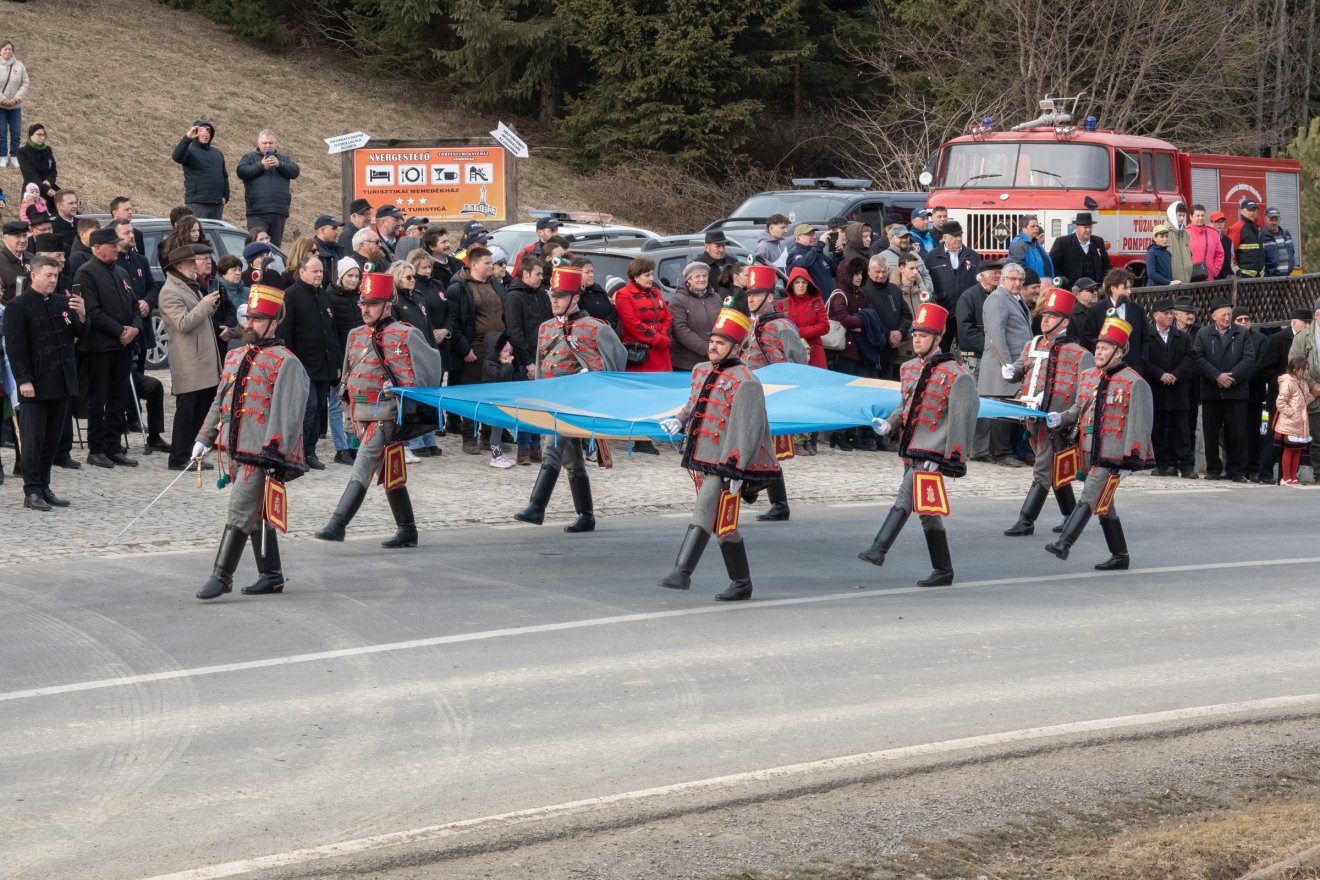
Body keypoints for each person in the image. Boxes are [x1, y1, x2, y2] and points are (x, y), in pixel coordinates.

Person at [192, 284, 310, 600]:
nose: (249, 325)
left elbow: (288, 413)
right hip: (235, 449)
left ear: (274, 323)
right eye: (249, 318)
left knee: (240, 507)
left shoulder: (287, 361)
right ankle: (271, 575)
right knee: (256, 513)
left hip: (263, 453)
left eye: (258, 320)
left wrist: (275, 453)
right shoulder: (234, 356)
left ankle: (222, 576)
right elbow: (219, 403)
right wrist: (204, 438)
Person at [658, 308, 781, 601]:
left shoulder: (746, 380)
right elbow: (693, 403)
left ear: (736, 347)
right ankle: (742, 582)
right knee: (723, 526)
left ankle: (681, 572)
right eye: (712, 340)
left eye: (721, 342)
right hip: (701, 456)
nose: (713, 345)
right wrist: (680, 419)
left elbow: (748, 430)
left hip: (725, 462)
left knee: (705, 508)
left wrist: (735, 469)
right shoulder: (701, 370)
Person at [314, 273, 442, 546]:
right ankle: (407, 530)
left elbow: (429, 372)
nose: (365, 309)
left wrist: (400, 388)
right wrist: (348, 412)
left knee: (363, 465)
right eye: (363, 303)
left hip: (387, 415)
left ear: (387, 305)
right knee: (389, 470)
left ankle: (338, 524)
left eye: (371, 304)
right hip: (361, 415)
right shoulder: (355, 334)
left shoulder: (407, 334)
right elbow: (348, 376)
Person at [859, 301, 977, 586]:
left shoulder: (957, 375)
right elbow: (906, 405)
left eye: (924, 334)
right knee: (927, 512)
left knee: (905, 494)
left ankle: (879, 548)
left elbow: (962, 420)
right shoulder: (909, 369)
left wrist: (949, 456)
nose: (917, 338)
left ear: (938, 338)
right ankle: (943, 570)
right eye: (915, 333)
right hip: (911, 448)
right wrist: (890, 423)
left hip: (933, 452)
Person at [514, 264, 627, 529]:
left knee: (551, 448)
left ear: (575, 298)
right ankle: (586, 515)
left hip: (577, 403)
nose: (554, 300)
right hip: (552, 401)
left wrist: (594, 381)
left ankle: (536, 506)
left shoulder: (595, 328)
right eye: (552, 295)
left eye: (560, 296)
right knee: (572, 459)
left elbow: (617, 360)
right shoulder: (545, 329)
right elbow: (542, 368)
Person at [1044, 316, 1154, 568]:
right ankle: (1120, 556)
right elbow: (1076, 409)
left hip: (1113, 453)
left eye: (1104, 348)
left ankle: (1064, 543)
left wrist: (1131, 460)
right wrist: (1059, 418)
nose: (1098, 352)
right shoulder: (1087, 376)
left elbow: (1140, 425)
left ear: (1119, 352)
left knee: (1090, 494)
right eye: (1098, 347)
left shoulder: (1134, 382)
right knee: (1104, 505)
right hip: (1086, 449)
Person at [1000, 287, 1094, 536]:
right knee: (1053, 466)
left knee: (1043, 467)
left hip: (1057, 422)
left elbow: (1085, 394)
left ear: (1064, 321)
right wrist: (1012, 371)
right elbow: (1024, 367)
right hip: (1031, 416)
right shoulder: (1034, 343)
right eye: (1044, 315)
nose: (1045, 320)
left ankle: (1026, 519)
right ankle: (1070, 515)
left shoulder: (1079, 354)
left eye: (1052, 316)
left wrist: (1067, 417)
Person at [3, 254, 83, 509]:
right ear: (33, 275)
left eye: (56, 275)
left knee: (52, 440)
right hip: (35, 383)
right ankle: (32, 491)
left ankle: (45, 485)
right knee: (33, 440)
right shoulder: (18, 306)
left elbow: (80, 334)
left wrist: (81, 314)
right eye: (48, 275)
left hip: (61, 381)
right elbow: (16, 348)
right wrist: (24, 379)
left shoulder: (62, 302)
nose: (52, 280)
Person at [740, 269, 807, 520]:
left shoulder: (781, 325)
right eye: (749, 294)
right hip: (749, 393)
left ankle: (767, 497)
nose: (751, 299)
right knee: (758, 447)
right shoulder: (750, 323)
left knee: (763, 447)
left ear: (770, 296)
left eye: (757, 294)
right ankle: (773, 501)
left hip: (772, 396)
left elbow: (797, 360)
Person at [76, 225, 141, 468]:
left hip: (123, 346)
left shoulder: (121, 272)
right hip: (100, 347)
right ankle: (97, 448)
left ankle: (114, 446)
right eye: (111, 244)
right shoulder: (86, 273)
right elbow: (92, 311)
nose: (117, 247)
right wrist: (119, 332)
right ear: (96, 248)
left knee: (118, 398)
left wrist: (134, 328)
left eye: (116, 243)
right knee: (98, 398)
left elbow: (134, 305)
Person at [158, 243, 224, 470]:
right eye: (191, 262)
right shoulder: (170, 291)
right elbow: (182, 323)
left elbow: (198, 317)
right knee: (187, 413)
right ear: (179, 265)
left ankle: (193, 456)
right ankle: (178, 457)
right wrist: (205, 305)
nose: (196, 265)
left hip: (202, 361)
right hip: (189, 362)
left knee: (201, 413)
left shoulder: (189, 284)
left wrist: (210, 306)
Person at [278, 252, 343, 470]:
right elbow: (285, 334)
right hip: (302, 364)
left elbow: (332, 331)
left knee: (318, 408)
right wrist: (290, 364)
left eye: (321, 271)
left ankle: (310, 451)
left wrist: (336, 363)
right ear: (302, 271)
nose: (318, 275)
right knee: (309, 406)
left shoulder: (324, 296)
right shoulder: (291, 295)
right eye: (314, 271)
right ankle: (298, 452)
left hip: (324, 363)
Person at [1193, 298, 1255, 481]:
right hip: (1211, 392)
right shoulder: (1203, 334)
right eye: (1224, 315)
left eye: (1229, 314)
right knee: (1211, 433)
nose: (1228, 318)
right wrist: (1216, 376)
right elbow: (1198, 358)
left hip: (1235, 392)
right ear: (1213, 316)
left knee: (1237, 434)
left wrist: (1231, 377)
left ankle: (1236, 471)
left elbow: (1249, 359)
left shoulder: (1242, 334)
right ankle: (1213, 469)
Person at [979, 262, 1032, 467]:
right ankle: (1001, 454)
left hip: (1016, 363)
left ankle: (1009, 451)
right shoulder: (997, 299)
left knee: (1010, 407)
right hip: (1001, 363)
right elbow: (996, 334)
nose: (1017, 283)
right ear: (1003, 279)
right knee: (1000, 409)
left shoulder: (1014, 298)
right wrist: (1007, 363)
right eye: (1013, 279)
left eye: (1020, 280)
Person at [502, 255, 552, 465]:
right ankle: (523, 448)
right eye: (538, 274)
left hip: (544, 357)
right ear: (525, 274)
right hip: (526, 359)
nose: (542, 277)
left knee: (540, 405)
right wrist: (529, 361)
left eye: (542, 273)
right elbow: (515, 331)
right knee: (525, 405)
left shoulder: (542, 295)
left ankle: (535, 446)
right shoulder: (514, 297)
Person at [1142, 298, 1197, 478]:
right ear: (1155, 315)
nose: (1169, 316)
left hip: (1178, 390)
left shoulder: (1182, 336)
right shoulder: (1147, 336)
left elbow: (1190, 358)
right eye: (1165, 313)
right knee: (1158, 430)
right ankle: (1162, 465)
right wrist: (1160, 375)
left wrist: (1175, 374)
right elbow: (1144, 361)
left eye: (1171, 313)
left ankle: (1186, 466)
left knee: (1181, 430)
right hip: (1157, 390)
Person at [1256, 309, 1310, 482]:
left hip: (1300, 396)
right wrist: (1281, 383)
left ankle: (1287, 476)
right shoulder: (1278, 339)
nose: (1308, 326)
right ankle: (1265, 473)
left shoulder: (1309, 340)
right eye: (1305, 322)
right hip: (1280, 396)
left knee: (1293, 439)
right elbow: (1264, 368)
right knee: (1274, 434)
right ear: (1294, 322)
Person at [326, 258, 363, 465]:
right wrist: (339, 362)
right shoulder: (330, 297)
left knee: (355, 404)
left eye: (356, 276)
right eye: (350, 275)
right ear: (341, 276)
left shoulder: (359, 297)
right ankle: (341, 448)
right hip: (340, 358)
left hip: (359, 357)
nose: (354, 280)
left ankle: (353, 443)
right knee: (336, 404)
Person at [615, 258, 673, 387]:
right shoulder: (624, 295)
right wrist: (658, 339)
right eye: (647, 275)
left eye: (652, 274)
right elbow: (632, 324)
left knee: (665, 388)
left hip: (662, 351)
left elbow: (667, 316)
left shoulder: (655, 292)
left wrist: (664, 335)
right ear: (635, 276)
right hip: (642, 354)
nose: (651, 278)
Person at [923, 220, 980, 351]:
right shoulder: (932, 257)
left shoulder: (973, 256)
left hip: (967, 311)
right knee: (942, 347)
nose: (959, 239)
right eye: (955, 236)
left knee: (968, 350)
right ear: (945, 237)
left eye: (960, 235)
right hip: (943, 310)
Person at [235, 130, 299, 246]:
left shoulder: (283, 158)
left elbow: (295, 171)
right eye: (264, 143)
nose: (267, 146)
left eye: (270, 143)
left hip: (279, 210)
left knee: (275, 248)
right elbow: (241, 171)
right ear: (258, 143)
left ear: (275, 143)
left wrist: (280, 164)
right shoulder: (249, 157)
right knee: (258, 245)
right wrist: (261, 166)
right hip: (257, 211)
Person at [1085, 268, 1147, 373]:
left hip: (1133, 368)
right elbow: (1089, 339)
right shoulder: (1096, 310)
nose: (1129, 291)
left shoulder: (1138, 310)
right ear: (1113, 288)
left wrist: (1142, 359)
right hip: (1105, 369)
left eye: (1130, 288)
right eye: (1125, 288)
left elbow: (1145, 338)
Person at [669, 262, 723, 373]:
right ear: (689, 279)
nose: (702, 279)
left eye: (704, 276)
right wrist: (706, 349)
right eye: (697, 276)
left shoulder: (716, 297)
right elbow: (680, 330)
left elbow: (723, 322)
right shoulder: (678, 300)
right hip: (686, 363)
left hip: (713, 359)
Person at [1288, 297, 1320, 482]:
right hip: (1313, 395)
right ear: (1317, 315)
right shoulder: (1303, 337)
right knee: (1317, 438)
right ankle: (1318, 475)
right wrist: (1311, 384)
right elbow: (1294, 363)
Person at [171, 120, 229, 220]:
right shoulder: (189, 150)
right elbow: (176, 156)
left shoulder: (217, 153)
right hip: (197, 203)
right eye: (203, 131)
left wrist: (225, 196)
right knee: (197, 233)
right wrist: (187, 138)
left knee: (214, 233)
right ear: (196, 132)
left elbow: (224, 175)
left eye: (208, 131)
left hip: (216, 204)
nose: (206, 134)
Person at [1275, 356, 1314, 487]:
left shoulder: (1302, 383)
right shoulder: (1288, 383)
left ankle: (1293, 477)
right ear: (1295, 370)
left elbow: (1304, 401)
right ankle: (1285, 478)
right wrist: (1293, 414)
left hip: (1299, 424)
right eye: (1304, 369)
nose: (1306, 372)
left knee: (1297, 450)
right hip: (1290, 423)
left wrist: (1313, 396)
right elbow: (1280, 403)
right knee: (1289, 450)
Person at [1048, 212, 1111, 289]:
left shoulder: (1098, 241)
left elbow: (1107, 265)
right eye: (1085, 227)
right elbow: (1052, 264)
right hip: (1071, 290)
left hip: (1094, 289)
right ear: (1077, 227)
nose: (1088, 230)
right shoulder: (1062, 242)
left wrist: (1105, 281)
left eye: (1090, 227)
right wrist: (1062, 281)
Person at [785, 224, 837, 297]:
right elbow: (802, 264)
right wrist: (820, 245)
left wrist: (838, 254)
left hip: (828, 301)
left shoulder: (818, 252)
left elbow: (835, 272)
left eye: (813, 234)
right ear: (798, 239)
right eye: (809, 234)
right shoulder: (794, 254)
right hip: (812, 304)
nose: (814, 237)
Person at [0, 41, 29, 168]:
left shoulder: (20, 65)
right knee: (1, 132)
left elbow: (25, 83)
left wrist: (16, 99)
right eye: (5, 49)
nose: (8, 51)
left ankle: (14, 156)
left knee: (16, 132)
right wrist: (3, 100)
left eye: (10, 49)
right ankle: (2, 156)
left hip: (15, 107)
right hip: (1, 106)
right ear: (0, 51)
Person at [17, 123, 57, 203]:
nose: (42, 137)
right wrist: (45, 188)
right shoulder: (22, 152)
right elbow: (30, 175)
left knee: (65, 201)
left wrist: (49, 180)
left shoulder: (47, 149)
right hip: (33, 189)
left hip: (49, 186)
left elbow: (53, 170)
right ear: (31, 135)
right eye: (39, 134)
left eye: (43, 134)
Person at [1006, 215, 1054, 282]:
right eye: (1033, 226)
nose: (1036, 228)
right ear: (1023, 228)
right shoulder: (1018, 244)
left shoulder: (1035, 242)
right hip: (1031, 286)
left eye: (1037, 226)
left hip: (1042, 284)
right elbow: (1018, 269)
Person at [576, 259, 618, 332]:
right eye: (587, 272)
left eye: (592, 271)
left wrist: (609, 323)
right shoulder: (576, 295)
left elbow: (612, 310)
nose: (591, 275)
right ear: (577, 274)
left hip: (609, 332)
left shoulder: (598, 289)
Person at [1187, 205, 1225, 282]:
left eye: (1202, 215)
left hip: (1209, 278)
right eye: (1197, 215)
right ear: (1191, 217)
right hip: (1189, 278)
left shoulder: (1213, 233)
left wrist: (1215, 270)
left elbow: (1220, 254)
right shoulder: (1185, 233)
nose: (1200, 218)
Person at [1230, 199, 1265, 278]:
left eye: (1254, 210)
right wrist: (1237, 271)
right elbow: (1230, 253)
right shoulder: (1237, 228)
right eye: (1249, 210)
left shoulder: (1259, 227)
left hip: (1260, 277)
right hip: (1244, 277)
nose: (1252, 213)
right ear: (1242, 211)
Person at [1260, 208, 1297, 276]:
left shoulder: (1286, 234)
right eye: (1271, 220)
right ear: (1265, 220)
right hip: (1270, 280)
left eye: (1276, 220)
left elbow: (1292, 253)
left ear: (1279, 220)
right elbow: (1259, 260)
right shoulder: (1261, 236)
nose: (1274, 223)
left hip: (1287, 278)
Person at [0, 220, 30, 303]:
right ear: (5, 239)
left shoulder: (32, 258)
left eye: (25, 236)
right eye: (17, 236)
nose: (23, 240)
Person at [48, 189, 78, 254]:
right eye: (71, 203)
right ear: (59, 206)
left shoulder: (81, 224)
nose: (75, 206)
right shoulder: (52, 228)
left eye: (75, 203)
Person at [1210, 211, 1235, 279]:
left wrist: (1233, 272)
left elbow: (1231, 260)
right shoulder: (1207, 239)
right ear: (1211, 223)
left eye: (1222, 221)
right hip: (1212, 278)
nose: (1220, 224)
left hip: (1227, 277)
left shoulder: (1228, 241)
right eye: (1217, 221)